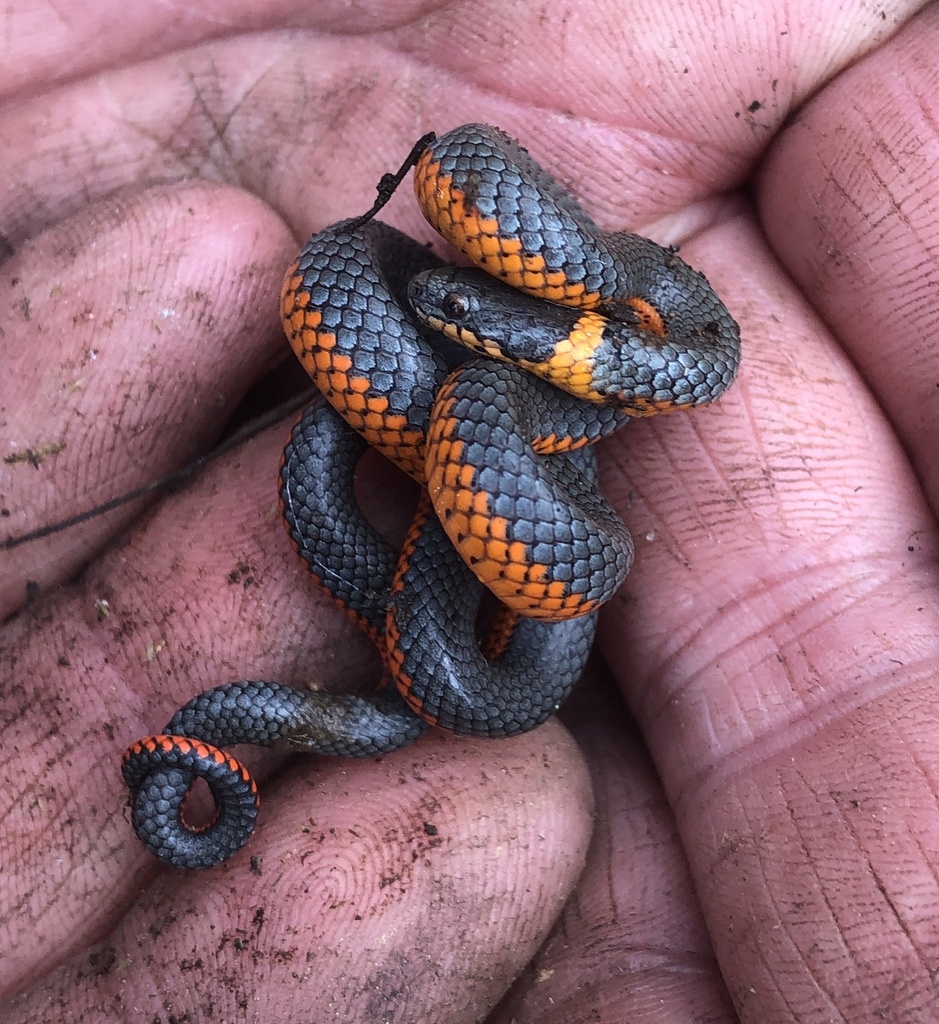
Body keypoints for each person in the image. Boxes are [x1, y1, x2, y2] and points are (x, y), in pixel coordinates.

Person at [2, 1, 938, 1020]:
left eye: (459, 318)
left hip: (526, 496)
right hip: (486, 390)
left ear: (557, 340)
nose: (441, 308)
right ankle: (382, 702)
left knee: (483, 511)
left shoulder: (584, 362)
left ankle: (397, 700)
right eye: (449, 310)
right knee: (428, 428)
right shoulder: (541, 333)